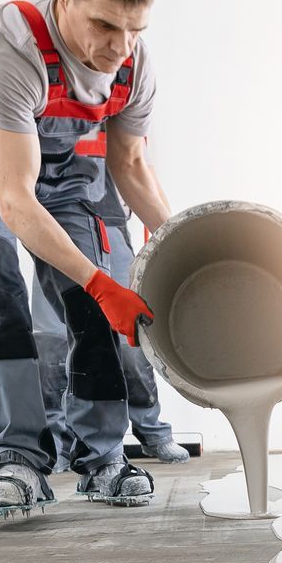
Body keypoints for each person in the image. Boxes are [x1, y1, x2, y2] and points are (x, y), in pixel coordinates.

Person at [0, 0, 174, 514]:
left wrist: (182, 249)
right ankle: (18, 456)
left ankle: (102, 458)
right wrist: (96, 279)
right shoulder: (9, 45)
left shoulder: (135, 65)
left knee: (91, 290)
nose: (120, 48)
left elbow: (131, 166)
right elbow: (14, 200)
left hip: (64, 170)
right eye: (105, 25)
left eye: (135, 29)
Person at [31, 174, 191, 472]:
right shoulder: (43, 126)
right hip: (50, 222)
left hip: (106, 218)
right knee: (51, 338)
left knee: (128, 331)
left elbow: (139, 168)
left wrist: (170, 238)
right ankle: (58, 441)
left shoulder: (118, 127)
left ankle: (150, 427)